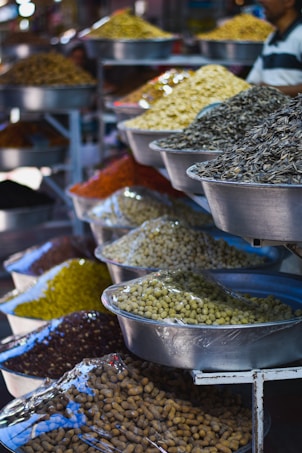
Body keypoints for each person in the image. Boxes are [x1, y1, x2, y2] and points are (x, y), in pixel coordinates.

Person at [246, 0, 302, 97]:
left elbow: (261, 88)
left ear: (289, 1)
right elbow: (252, 82)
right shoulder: (271, 39)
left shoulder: (299, 36)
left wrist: (271, 90)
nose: (261, 1)